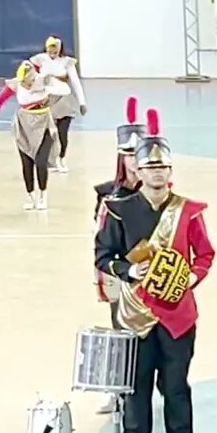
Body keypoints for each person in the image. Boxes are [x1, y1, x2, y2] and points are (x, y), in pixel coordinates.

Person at [93, 109, 214, 433]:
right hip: (134, 314)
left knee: (177, 387)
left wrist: (190, 279)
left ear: (170, 171)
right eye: (150, 167)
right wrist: (129, 271)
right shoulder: (118, 210)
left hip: (178, 314)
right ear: (139, 172)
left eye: (164, 166)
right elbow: (103, 256)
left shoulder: (189, 212)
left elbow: (205, 255)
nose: (158, 172)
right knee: (137, 389)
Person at [92, 97, 145, 414]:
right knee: (120, 329)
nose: (135, 161)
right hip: (121, 274)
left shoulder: (160, 192)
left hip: (153, 275)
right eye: (129, 155)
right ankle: (117, 389)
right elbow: (102, 240)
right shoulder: (107, 194)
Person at [0, 61, 59, 211]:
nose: (29, 84)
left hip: (43, 123)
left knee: (41, 161)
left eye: (31, 80)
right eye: (26, 82)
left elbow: (62, 88)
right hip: (24, 126)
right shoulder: (15, 85)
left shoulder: (42, 80)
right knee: (27, 163)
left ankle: (42, 195)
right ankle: (30, 196)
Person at [30, 36, 87, 173]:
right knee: (48, 133)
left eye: (56, 49)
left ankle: (61, 159)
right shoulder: (40, 59)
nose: (53, 52)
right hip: (47, 101)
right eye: (51, 48)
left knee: (62, 133)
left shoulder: (67, 62)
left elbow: (75, 82)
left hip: (64, 101)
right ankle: (49, 160)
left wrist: (82, 102)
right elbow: (31, 76)